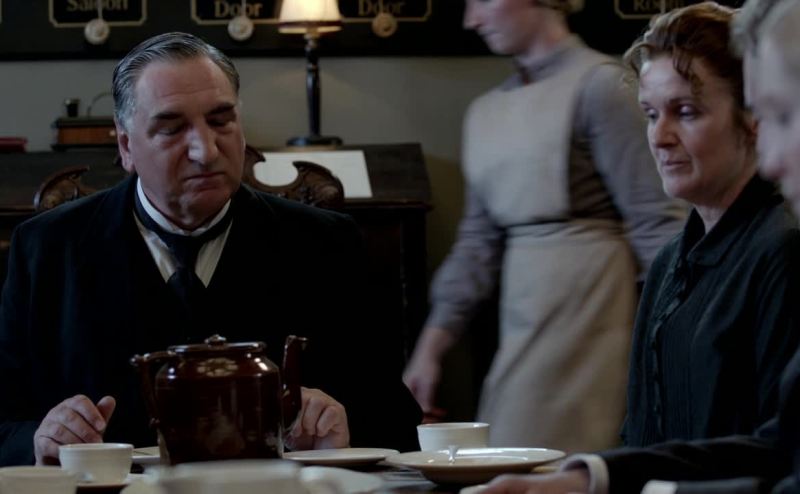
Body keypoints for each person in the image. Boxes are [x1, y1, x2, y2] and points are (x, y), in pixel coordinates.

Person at [0, 32, 422, 466]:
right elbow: (4, 423)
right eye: (172, 129)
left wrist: (342, 428)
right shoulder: (47, 249)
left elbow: (395, 422)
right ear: (126, 146)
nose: (205, 151)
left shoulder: (325, 244)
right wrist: (38, 439)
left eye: (221, 121)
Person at [473, 1, 800, 492]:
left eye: (685, 112)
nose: (660, 137)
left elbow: (778, 451)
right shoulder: (669, 261)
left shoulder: (782, 248)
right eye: (650, 114)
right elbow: (644, 434)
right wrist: (588, 480)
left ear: (751, 118)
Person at [403, 0, 686, 452]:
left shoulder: (601, 86)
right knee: (509, 453)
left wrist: (683, 340)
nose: (471, 20)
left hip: (593, 313)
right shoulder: (486, 111)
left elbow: (656, 221)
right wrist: (430, 350)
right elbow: (477, 244)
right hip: (523, 316)